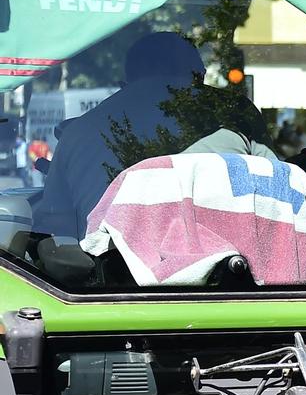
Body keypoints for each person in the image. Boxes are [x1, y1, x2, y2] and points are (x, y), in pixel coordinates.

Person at [34, 31, 271, 240]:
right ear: (199, 73)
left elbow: (56, 229)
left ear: (124, 82)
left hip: (109, 281)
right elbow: (278, 193)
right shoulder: (235, 113)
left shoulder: (79, 132)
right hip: (234, 278)